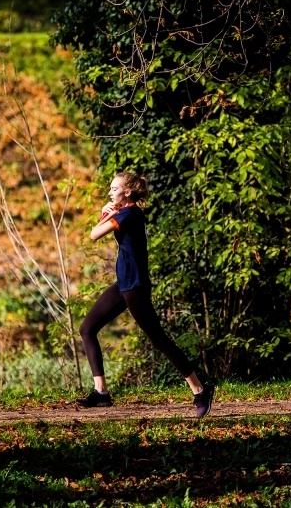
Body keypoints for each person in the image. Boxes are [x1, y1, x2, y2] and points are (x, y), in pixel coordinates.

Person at [75, 172, 215, 418]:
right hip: (123, 284)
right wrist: (107, 212)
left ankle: (200, 390)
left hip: (135, 287)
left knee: (159, 341)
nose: (110, 192)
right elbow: (97, 231)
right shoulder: (124, 212)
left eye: (113, 188)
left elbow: (94, 235)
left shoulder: (129, 214)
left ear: (127, 192)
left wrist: (106, 212)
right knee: (87, 329)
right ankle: (101, 393)